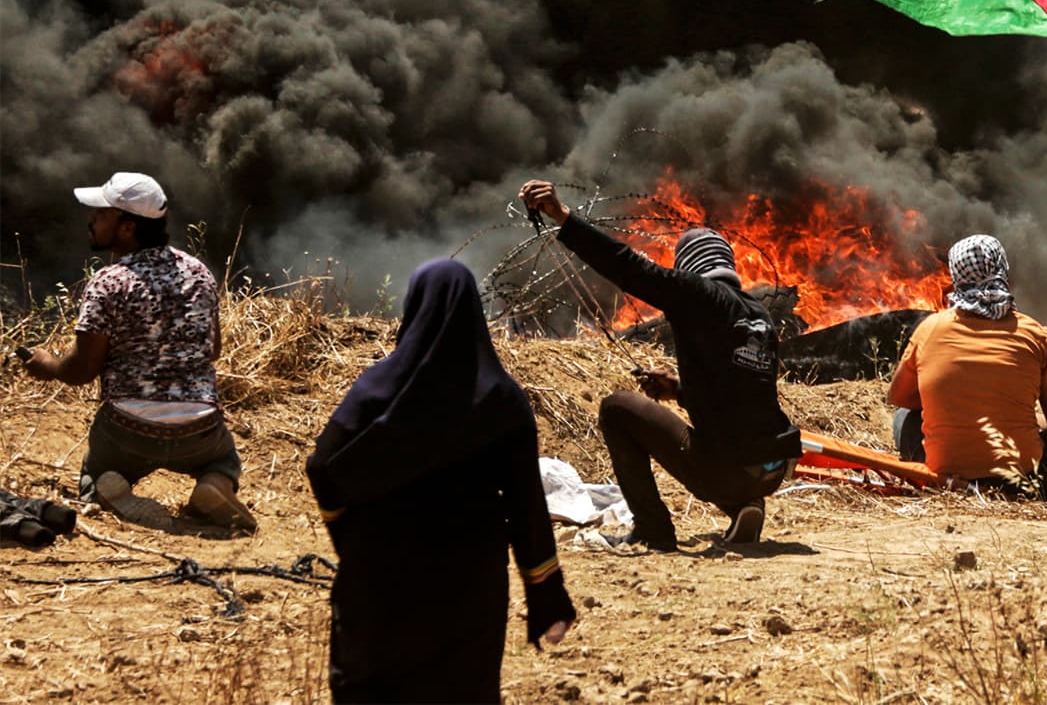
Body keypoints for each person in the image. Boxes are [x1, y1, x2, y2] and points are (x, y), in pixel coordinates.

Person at [307, 260, 576, 704]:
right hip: (468, 588)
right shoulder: (501, 398)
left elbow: (322, 468)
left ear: (413, 309)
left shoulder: (376, 388)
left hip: (377, 579)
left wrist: (346, 533)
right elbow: (527, 505)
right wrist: (547, 595)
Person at [518, 181, 801, 548]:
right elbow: (739, 394)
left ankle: (653, 530)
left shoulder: (699, 294)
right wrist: (678, 391)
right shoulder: (758, 314)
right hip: (770, 470)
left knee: (617, 408)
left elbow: (631, 268)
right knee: (721, 442)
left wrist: (565, 218)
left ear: (689, 268)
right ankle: (743, 504)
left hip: (728, 470)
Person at [22, 173, 255, 532]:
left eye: (101, 214)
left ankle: (107, 488)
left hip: (128, 431)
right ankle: (215, 486)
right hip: (200, 429)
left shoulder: (109, 282)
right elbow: (213, 350)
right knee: (224, 461)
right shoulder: (199, 273)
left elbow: (81, 370)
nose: (91, 219)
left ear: (128, 227)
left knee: (96, 474)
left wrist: (47, 364)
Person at [887, 235, 1047, 497]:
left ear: (955, 276)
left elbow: (898, 397)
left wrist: (952, 403)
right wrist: (1026, 421)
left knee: (905, 417)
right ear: (1003, 271)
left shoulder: (930, 330)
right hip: (1021, 477)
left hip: (947, 476)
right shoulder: (1037, 335)